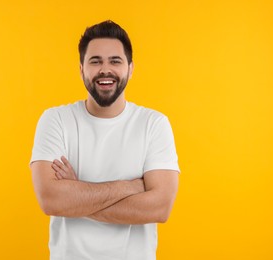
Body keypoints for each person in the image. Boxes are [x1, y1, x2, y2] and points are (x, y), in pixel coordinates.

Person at [30, 20, 180, 260]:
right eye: (95, 61)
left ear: (131, 69)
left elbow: (160, 207)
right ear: (81, 69)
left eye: (115, 61)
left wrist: (77, 194)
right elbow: (51, 200)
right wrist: (130, 187)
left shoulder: (153, 124)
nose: (105, 70)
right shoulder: (56, 120)